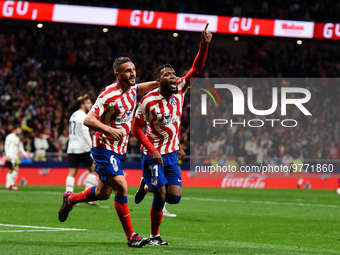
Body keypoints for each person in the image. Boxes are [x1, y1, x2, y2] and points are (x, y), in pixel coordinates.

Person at [58, 57, 158, 248]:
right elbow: (88, 119)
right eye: (128, 71)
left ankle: (70, 199)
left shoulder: (132, 89)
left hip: (119, 151)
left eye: (134, 69)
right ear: (117, 75)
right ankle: (131, 236)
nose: (133, 74)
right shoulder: (108, 94)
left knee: (103, 194)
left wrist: (158, 82)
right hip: (104, 148)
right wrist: (110, 130)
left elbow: (141, 87)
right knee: (121, 186)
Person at [132, 24, 212, 245]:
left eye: (174, 74)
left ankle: (146, 183)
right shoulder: (147, 101)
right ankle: (155, 236)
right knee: (161, 196)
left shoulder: (181, 92)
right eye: (168, 75)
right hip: (152, 154)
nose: (174, 77)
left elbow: (195, 70)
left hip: (170, 154)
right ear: (159, 81)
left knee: (174, 197)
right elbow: (136, 129)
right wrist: (152, 149)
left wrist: (203, 46)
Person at [65, 94, 98, 205]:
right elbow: (85, 133)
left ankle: (68, 196)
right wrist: (92, 148)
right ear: (82, 105)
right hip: (82, 148)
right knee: (93, 170)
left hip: (72, 148)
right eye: (88, 103)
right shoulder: (83, 116)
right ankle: (88, 198)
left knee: (72, 173)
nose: (91, 105)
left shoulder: (73, 115)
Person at [4, 126, 30, 190]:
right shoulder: (9, 137)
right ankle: (10, 185)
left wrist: (25, 154)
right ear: (15, 130)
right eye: (19, 130)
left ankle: (10, 185)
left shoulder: (18, 139)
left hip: (15, 157)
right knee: (12, 170)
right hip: (10, 156)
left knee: (14, 170)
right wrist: (7, 155)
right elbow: (6, 146)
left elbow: (21, 148)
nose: (20, 131)